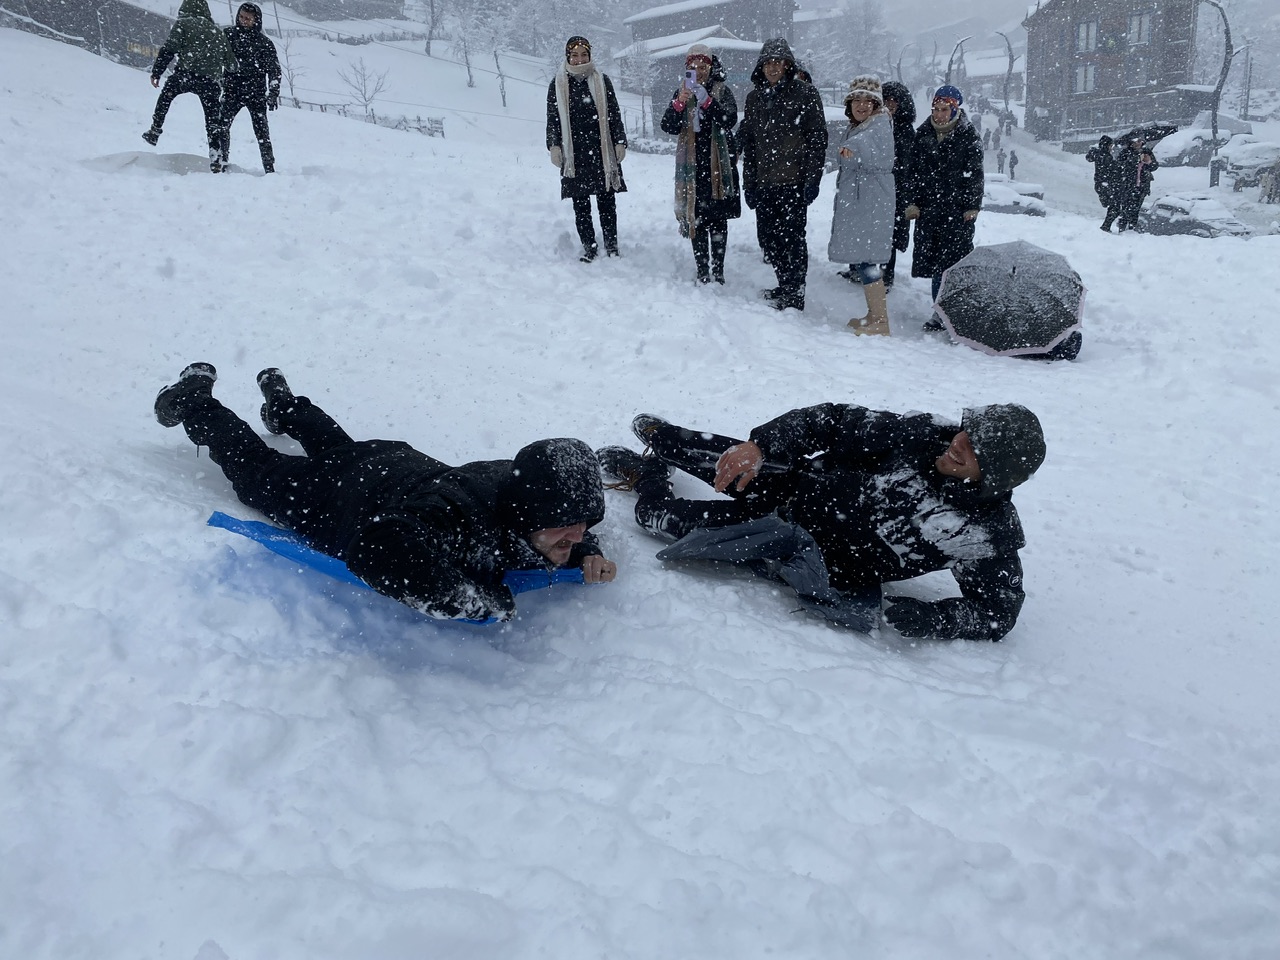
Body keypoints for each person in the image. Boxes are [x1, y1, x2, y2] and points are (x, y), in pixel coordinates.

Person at [153, 363, 616, 622]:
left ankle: (285, 407)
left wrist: (584, 549)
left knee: (340, 449)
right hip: (335, 496)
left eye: (585, 525)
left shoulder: (522, 484)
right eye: (566, 526)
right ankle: (193, 400)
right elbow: (378, 550)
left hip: (387, 464)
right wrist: (475, 601)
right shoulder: (460, 514)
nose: (576, 534)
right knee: (257, 472)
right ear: (526, 510)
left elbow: (564, 520)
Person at [599, 402, 1046, 641]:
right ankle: (670, 445)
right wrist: (761, 446)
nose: (959, 443)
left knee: (652, 517)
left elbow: (997, 613)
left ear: (995, 476)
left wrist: (936, 620)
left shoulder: (987, 534)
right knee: (683, 443)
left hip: (786, 547)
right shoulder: (924, 432)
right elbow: (831, 423)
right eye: (968, 430)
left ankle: (650, 477)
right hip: (787, 485)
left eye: (976, 450)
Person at [737, 38, 829, 311]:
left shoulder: (805, 94)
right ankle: (784, 284)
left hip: (794, 182)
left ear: (788, 64)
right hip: (764, 182)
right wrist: (749, 184)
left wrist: (812, 179)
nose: (773, 67)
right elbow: (751, 145)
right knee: (768, 239)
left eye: (778, 61)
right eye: (768, 62)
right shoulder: (754, 98)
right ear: (761, 66)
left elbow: (817, 138)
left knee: (792, 240)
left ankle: (795, 293)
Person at [660, 44, 739, 284]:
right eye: (693, 67)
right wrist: (679, 105)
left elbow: (729, 120)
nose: (699, 71)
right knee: (696, 217)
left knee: (717, 219)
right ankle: (703, 269)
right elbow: (668, 126)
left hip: (718, 164)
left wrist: (707, 102)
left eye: (703, 67)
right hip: (693, 167)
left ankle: (719, 269)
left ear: (711, 66)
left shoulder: (722, 90)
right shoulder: (681, 90)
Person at [904, 84, 984, 318]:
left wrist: (971, 206)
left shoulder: (968, 136)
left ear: (955, 109)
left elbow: (975, 174)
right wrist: (912, 202)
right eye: (936, 108)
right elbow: (912, 172)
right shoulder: (923, 134)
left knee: (953, 265)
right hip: (928, 211)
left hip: (956, 212)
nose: (939, 114)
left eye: (944, 109)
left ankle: (953, 312)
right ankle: (940, 312)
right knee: (937, 264)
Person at [546, 36, 628, 262]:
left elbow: (614, 114)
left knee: (607, 202)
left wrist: (620, 140)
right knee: (581, 205)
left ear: (590, 56)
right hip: (575, 154)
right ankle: (589, 248)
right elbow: (553, 119)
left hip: (602, 151)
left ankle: (612, 246)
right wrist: (554, 145)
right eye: (575, 55)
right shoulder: (558, 84)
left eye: (584, 54)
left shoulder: (602, 81)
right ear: (568, 56)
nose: (579, 58)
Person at [828, 76, 895, 336]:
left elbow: (871, 148)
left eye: (868, 101)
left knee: (869, 262)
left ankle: (881, 321)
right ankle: (874, 314)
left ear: (876, 104)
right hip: (865, 201)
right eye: (857, 100)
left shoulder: (879, 125)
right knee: (865, 259)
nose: (862, 105)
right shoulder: (861, 126)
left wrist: (851, 148)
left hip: (872, 201)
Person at [142, 0, 236, 172]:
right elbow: (232, 65)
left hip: (185, 75)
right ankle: (215, 155)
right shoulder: (218, 32)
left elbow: (169, 49)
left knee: (166, 97)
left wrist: (157, 72)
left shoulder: (183, 24)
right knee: (212, 121)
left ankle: (155, 131)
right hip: (210, 82)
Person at [216, 2, 281, 174]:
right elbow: (215, 58)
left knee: (262, 134)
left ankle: (269, 169)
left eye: (248, 18)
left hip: (256, 94)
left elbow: (274, 70)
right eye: (241, 17)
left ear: (256, 20)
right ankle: (221, 162)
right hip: (231, 91)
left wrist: (273, 93)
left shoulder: (264, 43)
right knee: (221, 127)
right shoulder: (228, 35)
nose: (244, 21)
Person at [880, 80, 916, 290]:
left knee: (890, 235)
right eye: (887, 99)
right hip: (875, 187)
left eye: (895, 100)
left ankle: (886, 275)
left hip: (896, 190)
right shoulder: (874, 124)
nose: (891, 104)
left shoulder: (905, 131)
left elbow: (908, 164)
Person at [1114, 138, 1158, 232]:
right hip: (1128, 185)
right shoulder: (1126, 152)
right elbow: (1119, 166)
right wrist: (1134, 160)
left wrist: (1149, 162)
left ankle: (1132, 227)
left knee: (1136, 208)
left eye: (1140, 141)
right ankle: (1122, 227)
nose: (1138, 144)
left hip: (1142, 185)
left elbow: (1154, 166)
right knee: (1126, 207)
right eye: (1136, 142)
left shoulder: (1146, 151)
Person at [1085, 135, 1120, 231]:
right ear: (1107, 145)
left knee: (1113, 205)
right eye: (1110, 145)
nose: (1111, 147)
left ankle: (1106, 224)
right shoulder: (1107, 157)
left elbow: (1088, 158)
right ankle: (1106, 226)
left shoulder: (1098, 154)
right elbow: (1114, 171)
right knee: (1115, 206)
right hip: (1107, 184)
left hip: (1100, 183)